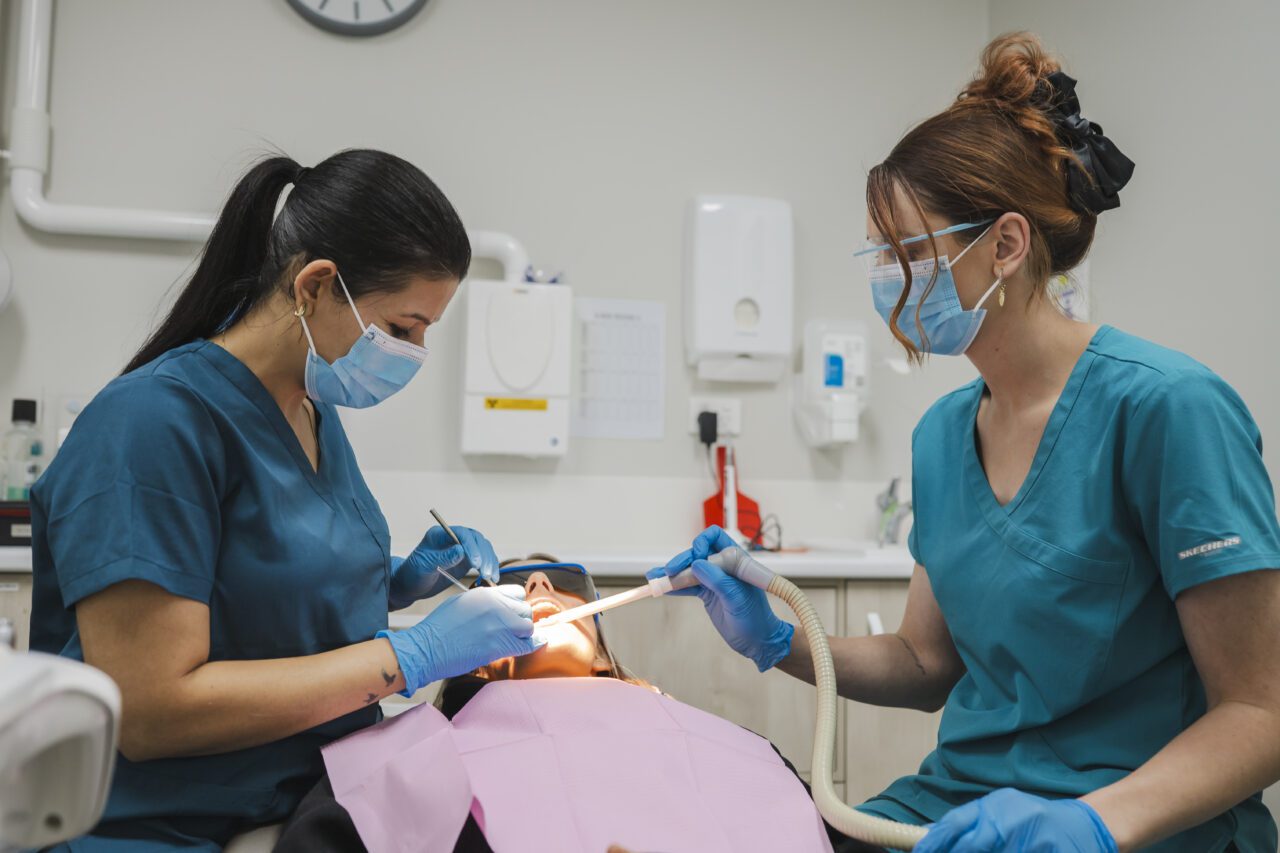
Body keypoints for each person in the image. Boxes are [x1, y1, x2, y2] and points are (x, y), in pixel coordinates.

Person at [654, 33, 1280, 853]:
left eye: (907, 251)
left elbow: (1260, 712)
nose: (886, 278)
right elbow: (924, 663)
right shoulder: (943, 435)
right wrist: (779, 638)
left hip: (1128, 825)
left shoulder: (1167, 409)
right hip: (957, 810)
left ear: (1007, 245)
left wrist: (1096, 821)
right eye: (877, 252)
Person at [28, 150, 544, 852]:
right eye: (402, 327)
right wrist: (413, 654)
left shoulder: (311, 412)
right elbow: (151, 711)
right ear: (315, 285)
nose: (414, 352)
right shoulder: (152, 425)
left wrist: (396, 581)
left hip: (310, 804)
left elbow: (258, 586)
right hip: (159, 830)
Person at [275, 558, 882, 853]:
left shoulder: (731, 746)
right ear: (477, 659)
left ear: (599, 654)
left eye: (559, 578)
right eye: (512, 582)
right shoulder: (422, 751)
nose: (538, 585)